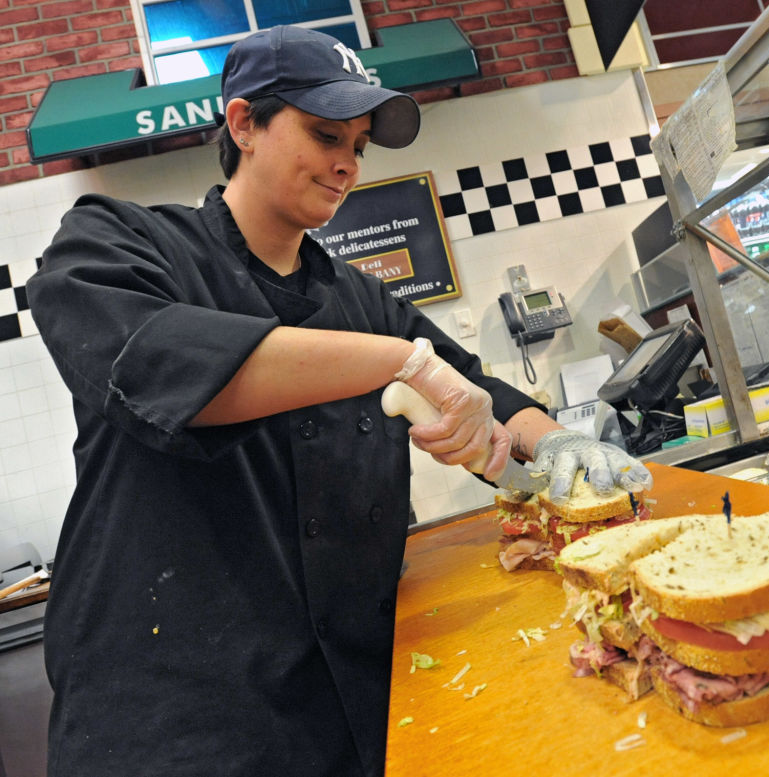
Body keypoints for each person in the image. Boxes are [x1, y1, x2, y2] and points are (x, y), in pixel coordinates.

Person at [27, 25, 652, 777]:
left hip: (349, 708)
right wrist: (404, 364)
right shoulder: (119, 242)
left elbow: (477, 388)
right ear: (243, 124)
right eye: (326, 133)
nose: (347, 163)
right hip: (178, 725)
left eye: (359, 143)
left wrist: (551, 440)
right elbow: (165, 365)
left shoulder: (358, 299)